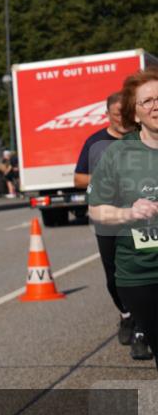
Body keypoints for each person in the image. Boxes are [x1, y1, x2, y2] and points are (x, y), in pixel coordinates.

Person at [88, 67, 158, 369]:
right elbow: (97, 209)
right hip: (143, 274)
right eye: (148, 101)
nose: (156, 105)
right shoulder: (118, 154)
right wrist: (129, 212)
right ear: (135, 113)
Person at [75, 92, 137, 348]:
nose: (121, 120)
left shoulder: (144, 138)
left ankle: (143, 324)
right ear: (107, 115)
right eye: (116, 115)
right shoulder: (95, 142)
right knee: (113, 276)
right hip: (108, 219)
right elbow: (78, 179)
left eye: (125, 114)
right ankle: (126, 315)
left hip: (142, 218)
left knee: (143, 271)